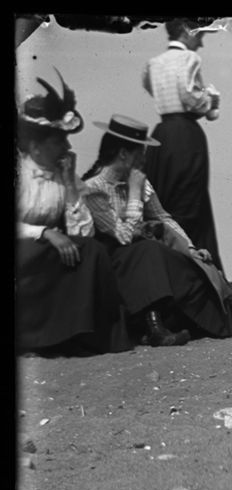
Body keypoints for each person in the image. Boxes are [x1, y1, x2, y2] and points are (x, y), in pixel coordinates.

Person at [82, 115, 232, 346]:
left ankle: (176, 323)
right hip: (113, 258)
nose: (144, 158)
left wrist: (190, 248)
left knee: (189, 264)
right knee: (148, 251)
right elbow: (123, 236)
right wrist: (133, 193)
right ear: (124, 154)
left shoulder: (141, 183)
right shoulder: (94, 188)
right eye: (139, 152)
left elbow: (163, 218)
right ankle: (155, 327)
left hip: (142, 255)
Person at [16, 73, 133, 356]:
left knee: (91, 251)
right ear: (35, 145)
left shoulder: (63, 175)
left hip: (49, 250)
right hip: (25, 247)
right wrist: (44, 232)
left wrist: (69, 184)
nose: (67, 148)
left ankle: (77, 335)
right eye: (60, 142)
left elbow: (83, 234)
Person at [142, 17, 224, 272]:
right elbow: (190, 95)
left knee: (163, 194)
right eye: (200, 35)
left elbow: (150, 86)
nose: (200, 42)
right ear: (188, 32)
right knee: (190, 198)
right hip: (186, 135)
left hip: (162, 133)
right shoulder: (190, 59)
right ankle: (193, 265)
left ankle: (166, 261)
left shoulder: (153, 63)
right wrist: (210, 101)